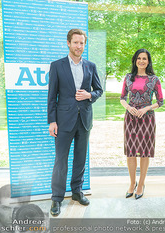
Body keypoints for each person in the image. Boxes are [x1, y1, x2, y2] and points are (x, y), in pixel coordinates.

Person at [47, 29, 103, 216]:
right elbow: (52, 96)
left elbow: (99, 90)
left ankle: (77, 192)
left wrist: (89, 95)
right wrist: (52, 121)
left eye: (82, 43)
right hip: (63, 122)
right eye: (76, 42)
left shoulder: (90, 66)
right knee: (60, 160)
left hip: (84, 120)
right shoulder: (57, 66)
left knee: (80, 158)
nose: (79, 46)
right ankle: (56, 198)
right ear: (68, 43)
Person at [120, 49, 163, 200]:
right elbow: (122, 98)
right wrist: (129, 108)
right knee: (131, 152)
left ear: (148, 61)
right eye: (139, 58)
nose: (141, 61)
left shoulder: (154, 79)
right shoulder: (128, 78)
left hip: (147, 119)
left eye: (144, 58)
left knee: (144, 152)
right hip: (130, 118)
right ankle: (132, 183)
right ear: (135, 60)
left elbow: (160, 102)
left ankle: (141, 184)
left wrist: (146, 108)